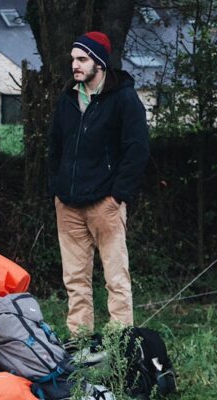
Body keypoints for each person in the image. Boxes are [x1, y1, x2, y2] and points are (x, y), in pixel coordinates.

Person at [47, 31, 150, 335]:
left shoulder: (124, 99)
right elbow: (55, 146)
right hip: (67, 204)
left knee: (116, 277)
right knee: (74, 279)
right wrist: (57, 187)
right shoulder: (68, 99)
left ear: (100, 63)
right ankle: (80, 344)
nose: (75, 66)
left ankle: (119, 343)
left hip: (105, 203)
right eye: (73, 60)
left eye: (82, 59)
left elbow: (137, 149)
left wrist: (118, 194)